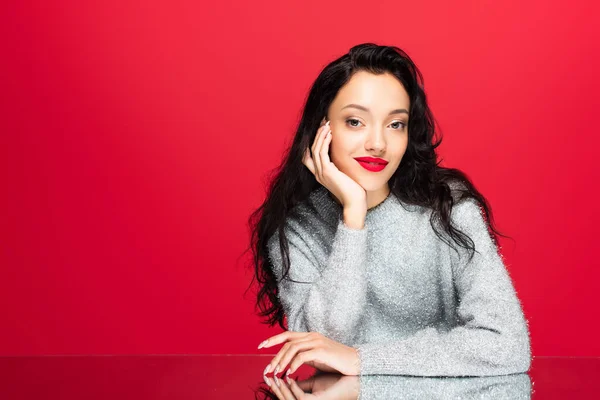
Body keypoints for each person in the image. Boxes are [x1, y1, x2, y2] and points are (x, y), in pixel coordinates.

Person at [246, 43, 532, 379]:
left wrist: (363, 361)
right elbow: (323, 349)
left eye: (395, 124)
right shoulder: (299, 227)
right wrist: (354, 216)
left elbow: (507, 345)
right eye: (355, 121)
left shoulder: (449, 209)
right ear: (323, 129)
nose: (378, 143)